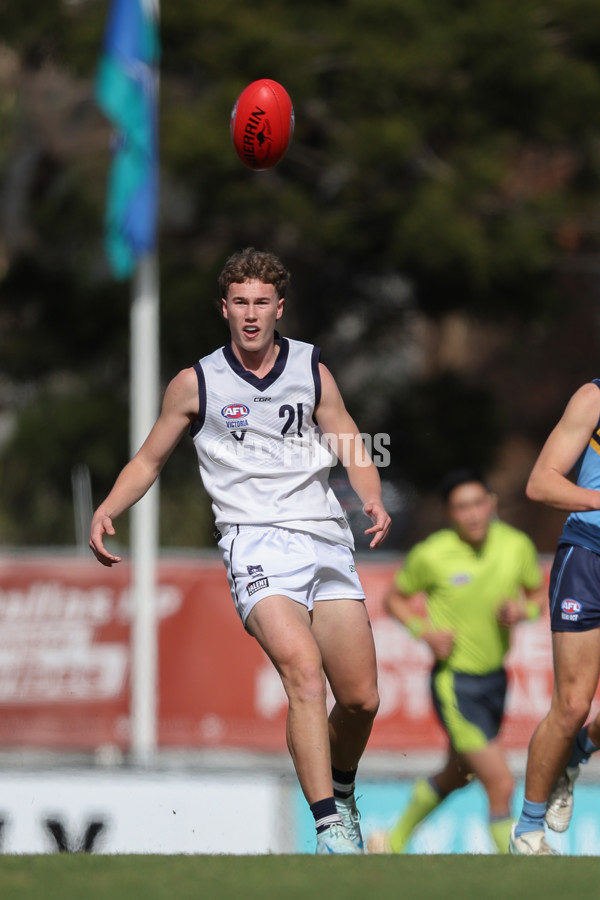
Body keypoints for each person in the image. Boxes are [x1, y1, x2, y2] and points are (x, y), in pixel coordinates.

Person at [89, 247, 391, 855]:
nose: (251, 315)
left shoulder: (311, 369)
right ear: (223, 308)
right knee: (304, 675)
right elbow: (149, 458)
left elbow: (352, 439)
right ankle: (331, 826)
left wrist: (372, 498)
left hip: (326, 537)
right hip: (254, 544)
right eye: (240, 303)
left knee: (360, 699)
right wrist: (108, 508)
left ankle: (342, 785)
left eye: (261, 303)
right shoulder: (195, 382)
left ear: (279, 307)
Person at [367, 467, 544, 855]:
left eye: (479, 503)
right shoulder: (432, 554)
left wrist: (522, 612)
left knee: (458, 773)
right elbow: (394, 599)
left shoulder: (516, 546)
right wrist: (423, 631)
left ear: (492, 504)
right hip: (455, 683)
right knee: (500, 782)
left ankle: (390, 842)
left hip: (496, 679)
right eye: (462, 507)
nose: (473, 514)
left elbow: (536, 597)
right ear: (450, 514)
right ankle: (518, 857)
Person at [510, 380, 600, 855]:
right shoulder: (594, 399)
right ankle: (527, 830)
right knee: (571, 706)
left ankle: (578, 753)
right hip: (588, 556)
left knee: (577, 721)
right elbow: (540, 482)